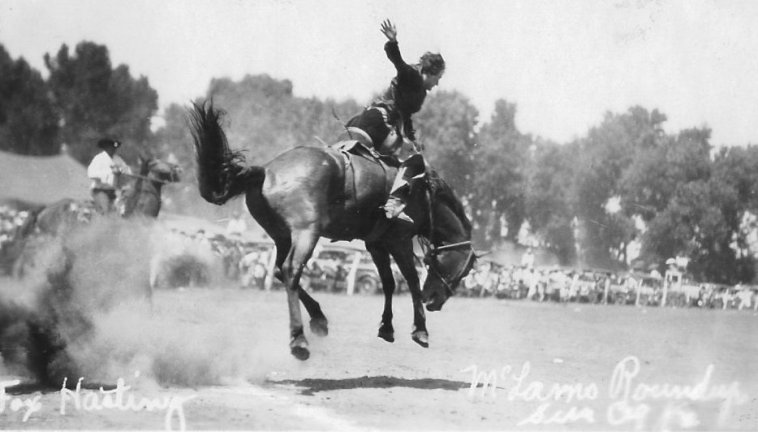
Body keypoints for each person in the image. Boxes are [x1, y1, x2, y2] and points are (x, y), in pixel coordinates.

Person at [346, 19, 446, 223]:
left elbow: (405, 116)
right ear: (431, 73)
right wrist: (393, 42)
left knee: (412, 151)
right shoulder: (413, 76)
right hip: (380, 123)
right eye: (438, 78)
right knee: (418, 162)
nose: (437, 84)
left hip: (361, 120)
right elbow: (398, 62)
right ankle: (394, 201)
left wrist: (412, 139)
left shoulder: (417, 83)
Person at [87, 138, 131, 214]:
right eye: (111, 147)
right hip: (99, 190)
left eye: (114, 147)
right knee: (106, 210)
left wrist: (120, 170)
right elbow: (90, 173)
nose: (113, 149)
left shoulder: (118, 159)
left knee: (121, 210)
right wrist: (110, 172)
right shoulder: (98, 158)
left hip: (113, 192)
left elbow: (128, 171)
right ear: (106, 147)